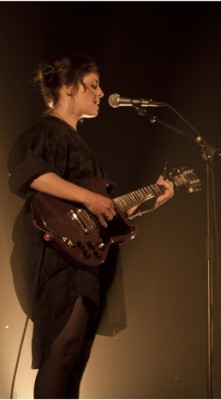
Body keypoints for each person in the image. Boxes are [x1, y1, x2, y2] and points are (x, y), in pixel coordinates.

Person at [7, 53, 175, 398]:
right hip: (56, 254)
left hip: (85, 257)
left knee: (76, 359)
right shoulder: (46, 132)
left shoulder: (83, 145)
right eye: (93, 85)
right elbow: (27, 171)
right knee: (63, 348)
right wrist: (88, 199)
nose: (101, 93)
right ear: (68, 87)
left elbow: (101, 213)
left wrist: (148, 203)